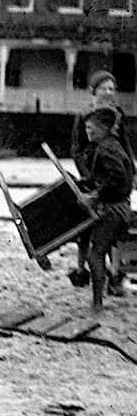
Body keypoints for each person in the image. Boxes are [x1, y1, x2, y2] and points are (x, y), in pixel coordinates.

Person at [69, 69, 134, 294]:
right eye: (103, 88)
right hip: (92, 174)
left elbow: (124, 145)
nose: (108, 92)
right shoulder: (84, 115)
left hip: (112, 176)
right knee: (86, 227)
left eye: (111, 88)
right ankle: (82, 269)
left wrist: (131, 171)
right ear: (93, 91)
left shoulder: (117, 115)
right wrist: (88, 176)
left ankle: (115, 274)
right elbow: (77, 149)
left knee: (111, 229)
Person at [79, 107, 134, 311]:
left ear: (104, 128)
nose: (88, 132)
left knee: (96, 254)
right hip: (120, 207)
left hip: (113, 210)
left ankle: (97, 304)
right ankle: (100, 298)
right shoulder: (112, 145)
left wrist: (95, 195)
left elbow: (117, 177)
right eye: (86, 128)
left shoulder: (105, 149)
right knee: (100, 251)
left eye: (91, 128)